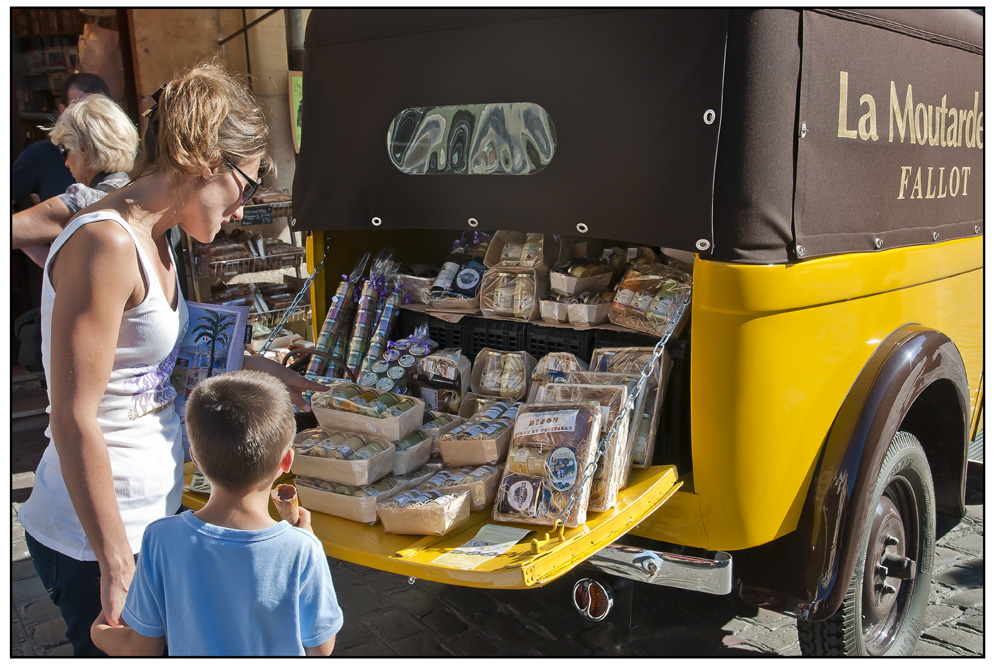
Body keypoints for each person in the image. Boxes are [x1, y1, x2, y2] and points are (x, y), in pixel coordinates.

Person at [17, 60, 329, 656]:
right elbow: (72, 414)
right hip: (95, 539)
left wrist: (303, 385)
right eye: (248, 183)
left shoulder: (154, 239)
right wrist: (113, 559)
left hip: (142, 521)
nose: (244, 208)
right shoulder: (106, 242)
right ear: (207, 162)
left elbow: (189, 350)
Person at [90, 370, 342, 656]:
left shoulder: (160, 539)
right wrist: (308, 539)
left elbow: (141, 648)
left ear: (195, 458)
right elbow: (321, 648)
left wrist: (98, 631)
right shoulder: (302, 549)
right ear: (287, 461)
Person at [20, 93, 138, 268]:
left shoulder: (85, 200)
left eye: (64, 150)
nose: (66, 162)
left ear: (83, 148)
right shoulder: (142, 191)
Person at [11, 72, 111, 209]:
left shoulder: (126, 154)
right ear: (63, 111)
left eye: (98, 108)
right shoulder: (38, 155)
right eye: (79, 108)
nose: (89, 117)